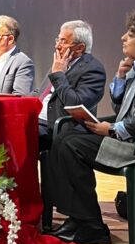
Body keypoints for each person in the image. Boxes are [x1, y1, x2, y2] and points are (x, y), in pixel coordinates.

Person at [46, 9, 135, 244]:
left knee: (71, 144)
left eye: (131, 34)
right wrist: (121, 79)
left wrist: (113, 129)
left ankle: (91, 225)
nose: (123, 37)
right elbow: (126, 108)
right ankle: (78, 219)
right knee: (65, 135)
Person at [37, 20, 107, 152]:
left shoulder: (92, 69)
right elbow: (42, 93)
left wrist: (58, 74)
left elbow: (75, 103)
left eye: (63, 41)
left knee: (21, 134)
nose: (57, 46)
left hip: (58, 126)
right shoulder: (62, 61)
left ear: (80, 48)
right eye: (58, 40)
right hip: (39, 119)